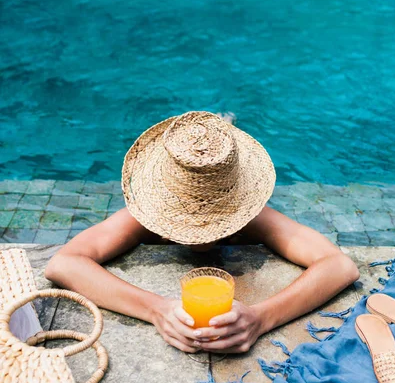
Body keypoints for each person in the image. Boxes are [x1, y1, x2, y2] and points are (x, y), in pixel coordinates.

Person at [45, 111, 359, 354]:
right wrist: (156, 310)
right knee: (204, 149)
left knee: (217, 143)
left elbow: (339, 265)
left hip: (227, 184)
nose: (203, 236)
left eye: (210, 223)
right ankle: (220, 123)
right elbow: (63, 264)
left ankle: (224, 125)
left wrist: (262, 317)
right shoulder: (141, 218)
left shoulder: (255, 218)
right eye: (191, 222)